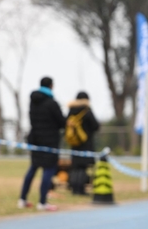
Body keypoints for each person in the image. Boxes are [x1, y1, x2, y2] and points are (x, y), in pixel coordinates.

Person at [18, 76, 65, 211]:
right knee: (48, 170)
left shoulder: (33, 101)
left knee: (33, 168)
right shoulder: (52, 103)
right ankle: (42, 202)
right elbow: (61, 122)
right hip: (50, 141)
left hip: (36, 139)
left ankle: (22, 199)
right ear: (51, 86)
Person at [67, 91, 100, 195]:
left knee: (75, 167)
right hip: (86, 143)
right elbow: (95, 126)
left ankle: (73, 188)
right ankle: (80, 189)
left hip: (74, 143)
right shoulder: (86, 111)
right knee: (83, 167)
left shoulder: (71, 110)